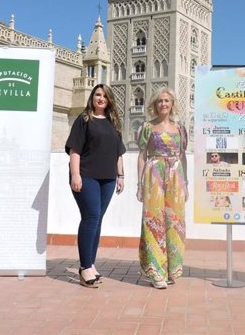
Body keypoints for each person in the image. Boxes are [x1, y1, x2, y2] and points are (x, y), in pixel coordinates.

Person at [65, 84, 125, 288]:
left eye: (105, 96)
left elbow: (118, 153)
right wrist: (75, 175)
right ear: (92, 97)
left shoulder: (113, 123)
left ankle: (90, 263)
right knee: (90, 216)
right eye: (97, 95)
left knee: (98, 218)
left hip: (108, 178)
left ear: (109, 100)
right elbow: (75, 150)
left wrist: (121, 175)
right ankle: (84, 267)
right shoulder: (84, 120)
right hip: (86, 175)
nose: (101, 98)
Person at [136, 88, 188, 289]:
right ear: (155, 105)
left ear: (172, 103)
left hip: (175, 175)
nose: (163, 104)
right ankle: (156, 271)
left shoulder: (180, 129)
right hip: (154, 174)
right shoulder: (147, 127)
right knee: (153, 220)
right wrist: (140, 184)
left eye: (167, 101)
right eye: (159, 101)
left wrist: (186, 184)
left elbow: (182, 155)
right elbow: (142, 156)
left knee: (175, 221)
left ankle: (173, 269)